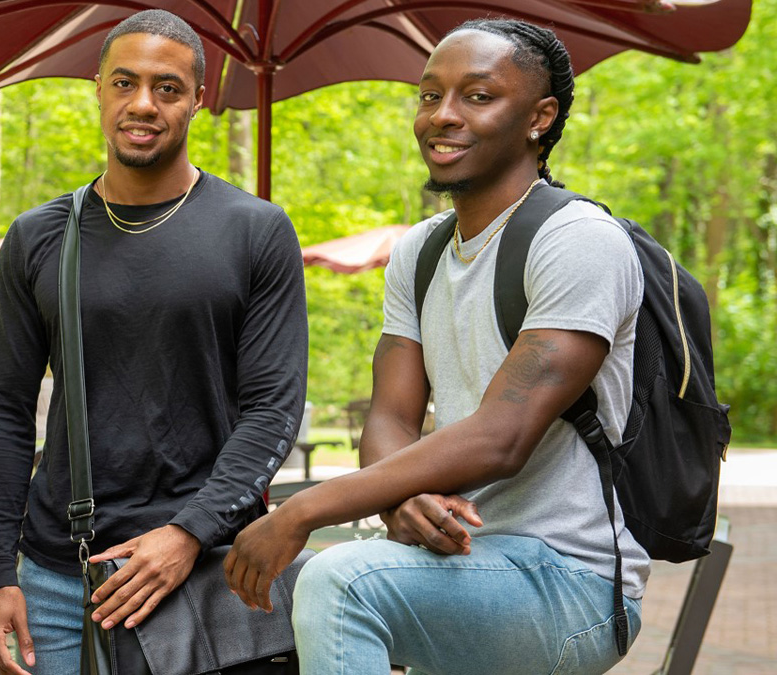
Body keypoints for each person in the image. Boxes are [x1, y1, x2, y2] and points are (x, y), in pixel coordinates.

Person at [225, 19, 649, 675]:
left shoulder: (578, 240)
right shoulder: (419, 254)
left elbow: (499, 437)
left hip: (570, 581)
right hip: (459, 561)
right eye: (429, 95)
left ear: (540, 117)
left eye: (477, 96)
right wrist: (398, 501)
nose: (442, 116)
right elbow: (392, 416)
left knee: (343, 583)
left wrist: (303, 507)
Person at [0, 9, 308, 675]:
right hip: (60, 578)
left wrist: (190, 530)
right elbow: (3, 413)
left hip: (207, 567)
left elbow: (272, 408)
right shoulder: (40, 236)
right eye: (124, 83)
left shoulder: (257, 230)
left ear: (198, 99)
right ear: (97, 87)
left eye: (167, 87)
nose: (143, 104)